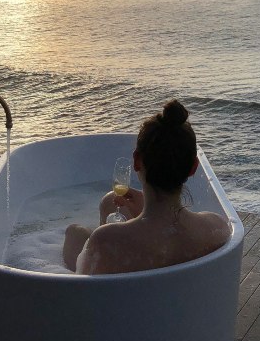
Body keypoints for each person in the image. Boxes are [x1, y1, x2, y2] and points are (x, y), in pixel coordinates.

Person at [62, 100, 231, 274]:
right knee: (107, 204)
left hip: (125, 298)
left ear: (136, 161)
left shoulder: (104, 242)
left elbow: (82, 291)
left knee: (74, 232)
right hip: (182, 298)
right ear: (193, 167)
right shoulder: (217, 228)